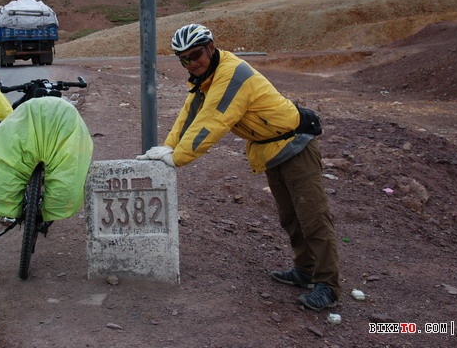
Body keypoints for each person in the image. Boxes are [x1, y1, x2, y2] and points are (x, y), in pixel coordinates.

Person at [137, 23, 340, 311]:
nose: (192, 63)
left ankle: (328, 285)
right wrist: (169, 147)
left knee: (312, 217)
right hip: (272, 151)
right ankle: (306, 271)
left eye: (196, 55)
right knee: (290, 217)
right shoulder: (206, 79)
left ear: (210, 48)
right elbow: (189, 115)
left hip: (296, 146)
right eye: (184, 59)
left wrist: (178, 157)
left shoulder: (232, 73)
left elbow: (213, 120)